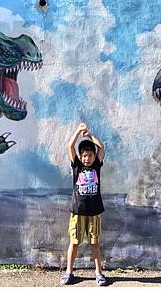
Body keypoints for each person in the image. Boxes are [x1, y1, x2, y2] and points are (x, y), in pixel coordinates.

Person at [60, 123, 108, 286]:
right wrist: (78, 132)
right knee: (74, 242)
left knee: (94, 242)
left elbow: (101, 146)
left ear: (94, 157)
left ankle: (99, 273)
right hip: (78, 212)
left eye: (90, 155)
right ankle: (69, 271)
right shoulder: (77, 166)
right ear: (80, 157)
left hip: (94, 212)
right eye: (84, 155)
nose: (87, 158)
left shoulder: (96, 166)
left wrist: (89, 135)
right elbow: (70, 146)